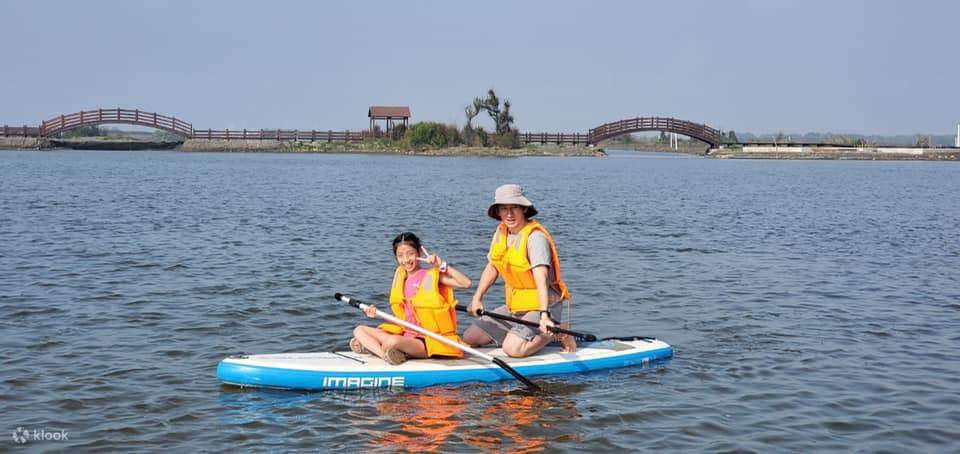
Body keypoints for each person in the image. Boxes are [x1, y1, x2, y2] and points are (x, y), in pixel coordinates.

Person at [463, 184, 577, 357]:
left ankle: (559, 331)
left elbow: (541, 278)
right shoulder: (500, 233)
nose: (509, 214)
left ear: (524, 209)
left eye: (514, 207)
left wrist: (544, 315)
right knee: (470, 337)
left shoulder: (535, 238)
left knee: (513, 350)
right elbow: (493, 266)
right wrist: (477, 298)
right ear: (498, 212)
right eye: (504, 208)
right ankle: (520, 333)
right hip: (516, 306)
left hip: (544, 306)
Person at [351, 232, 472, 365]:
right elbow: (405, 317)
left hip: (429, 341)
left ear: (419, 252)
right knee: (359, 330)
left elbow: (465, 283)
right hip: (406, 335)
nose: (406, 260)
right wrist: (375, 312)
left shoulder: (430, 277)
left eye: (410, 253)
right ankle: (385, 355)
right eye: (400, 256)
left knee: (392, 342)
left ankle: (376, 349)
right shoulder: (401, 278)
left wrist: (442, 264)